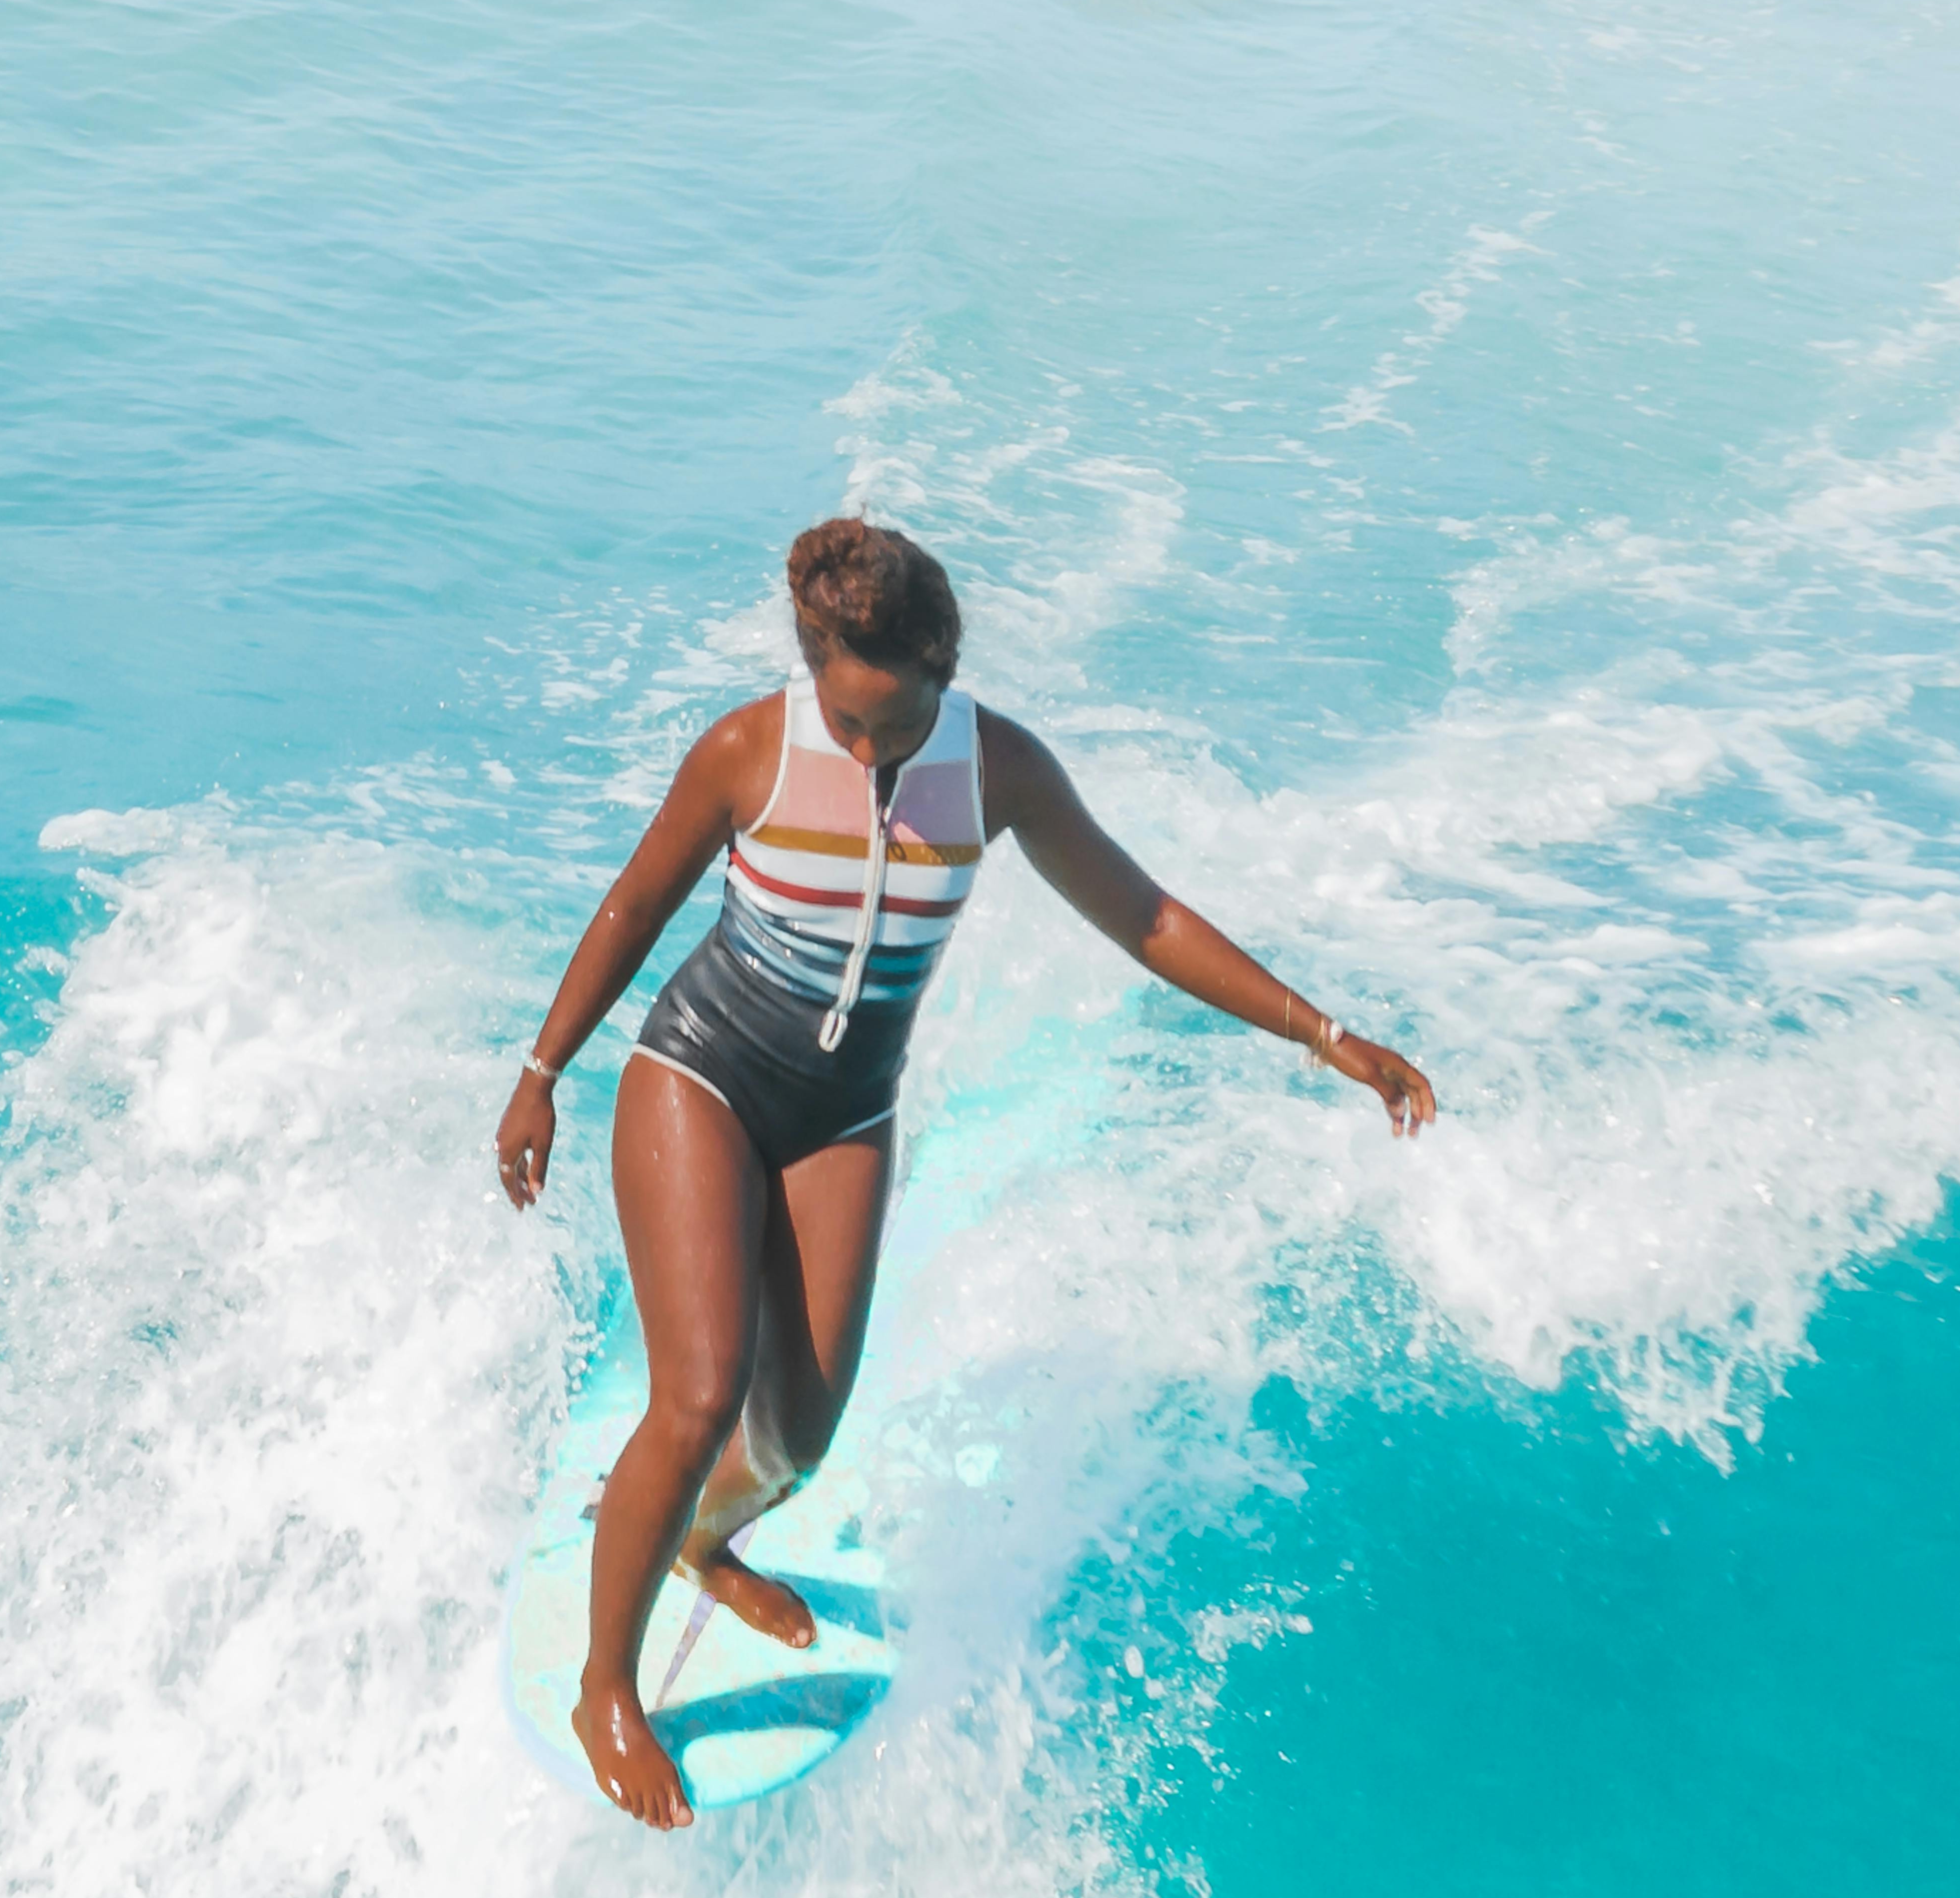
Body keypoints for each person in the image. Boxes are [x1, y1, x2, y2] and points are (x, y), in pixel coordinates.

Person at [495, 518, 1435, 1829]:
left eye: (900, 721)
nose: (874, 754)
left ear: (941, 674)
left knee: (797, 1443)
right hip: (700, 1075)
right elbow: (632, 907)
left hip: (842, 1114)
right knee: (702, 1391)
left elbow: (1146, 917)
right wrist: (540, 1076)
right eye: (852, 721)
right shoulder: (748, 749)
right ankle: (610, 1683)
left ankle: (703, 1541)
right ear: (814, 665)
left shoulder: (992, 767)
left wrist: (1328, 1039)